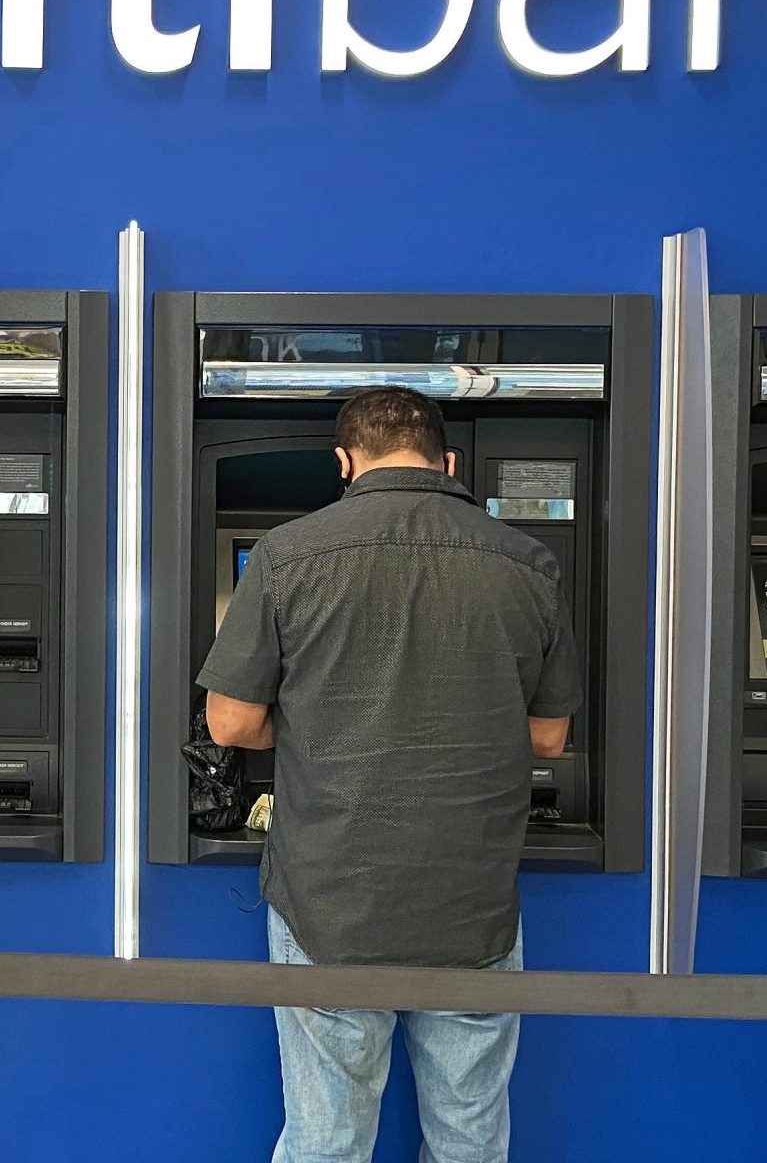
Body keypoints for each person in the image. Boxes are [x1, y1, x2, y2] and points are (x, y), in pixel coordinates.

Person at [197, 386, 579, 1163]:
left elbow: (230, 723)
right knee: (471, 1139)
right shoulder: (528, 563)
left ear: (345, 462)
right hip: (471, 902)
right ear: (448, 461)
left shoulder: (285, 554)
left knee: (327, 1139)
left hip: (330, 899)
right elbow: (548, 738)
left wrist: (311, 728)